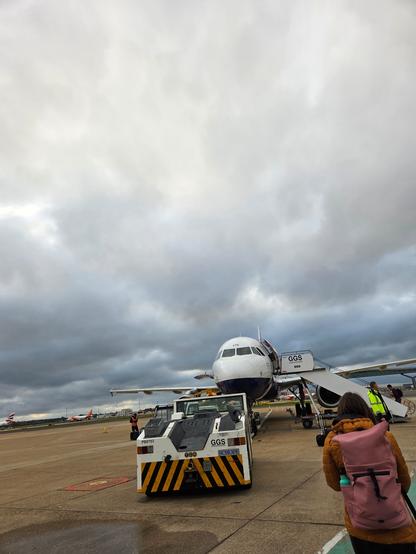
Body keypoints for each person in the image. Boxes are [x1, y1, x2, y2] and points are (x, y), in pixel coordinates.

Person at [323, 392, 416, 553]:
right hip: (398, 525)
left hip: (360, 526)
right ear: (365, 410)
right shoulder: (385, 436)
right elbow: (405, 481)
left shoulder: (333, 442)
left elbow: (334, 485)